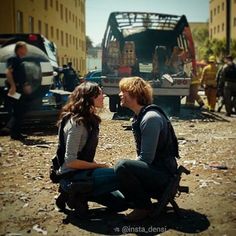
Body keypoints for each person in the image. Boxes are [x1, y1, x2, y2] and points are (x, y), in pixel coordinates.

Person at [55, 82, 128, 217]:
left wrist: (96, 166)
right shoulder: (77, 123)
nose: (103, 96)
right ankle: (76, 193)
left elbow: (82, 154)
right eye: (100, 93)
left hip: (82, 172)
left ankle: (76, 193)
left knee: (121, 203)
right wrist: (98, 165)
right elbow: (70, 161)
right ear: (89, 98)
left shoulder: (87, 119)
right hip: (72, 175)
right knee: (125, 175)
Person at [114, 77, 178, 221]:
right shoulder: (140, 116)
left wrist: (124, 170)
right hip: (157, 171)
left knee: (122, 166)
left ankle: (143, 207)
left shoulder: (150, 118)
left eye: (123, 91)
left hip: (164, 176)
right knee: (119, 172)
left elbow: (146, 159)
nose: (119, 94)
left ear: (134, 94)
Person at [5, 41, 32, 141]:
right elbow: (8, 72)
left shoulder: (20, 60)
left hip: (20, 89)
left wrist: (25, 85)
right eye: (25, 48)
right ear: (19, 49)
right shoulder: (13, 59)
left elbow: (20, 76)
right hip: (15, 89)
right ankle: (14, 133)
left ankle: (16, 132)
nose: (26, 50)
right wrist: (13, 86)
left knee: (20, 110)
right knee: (18, 110)